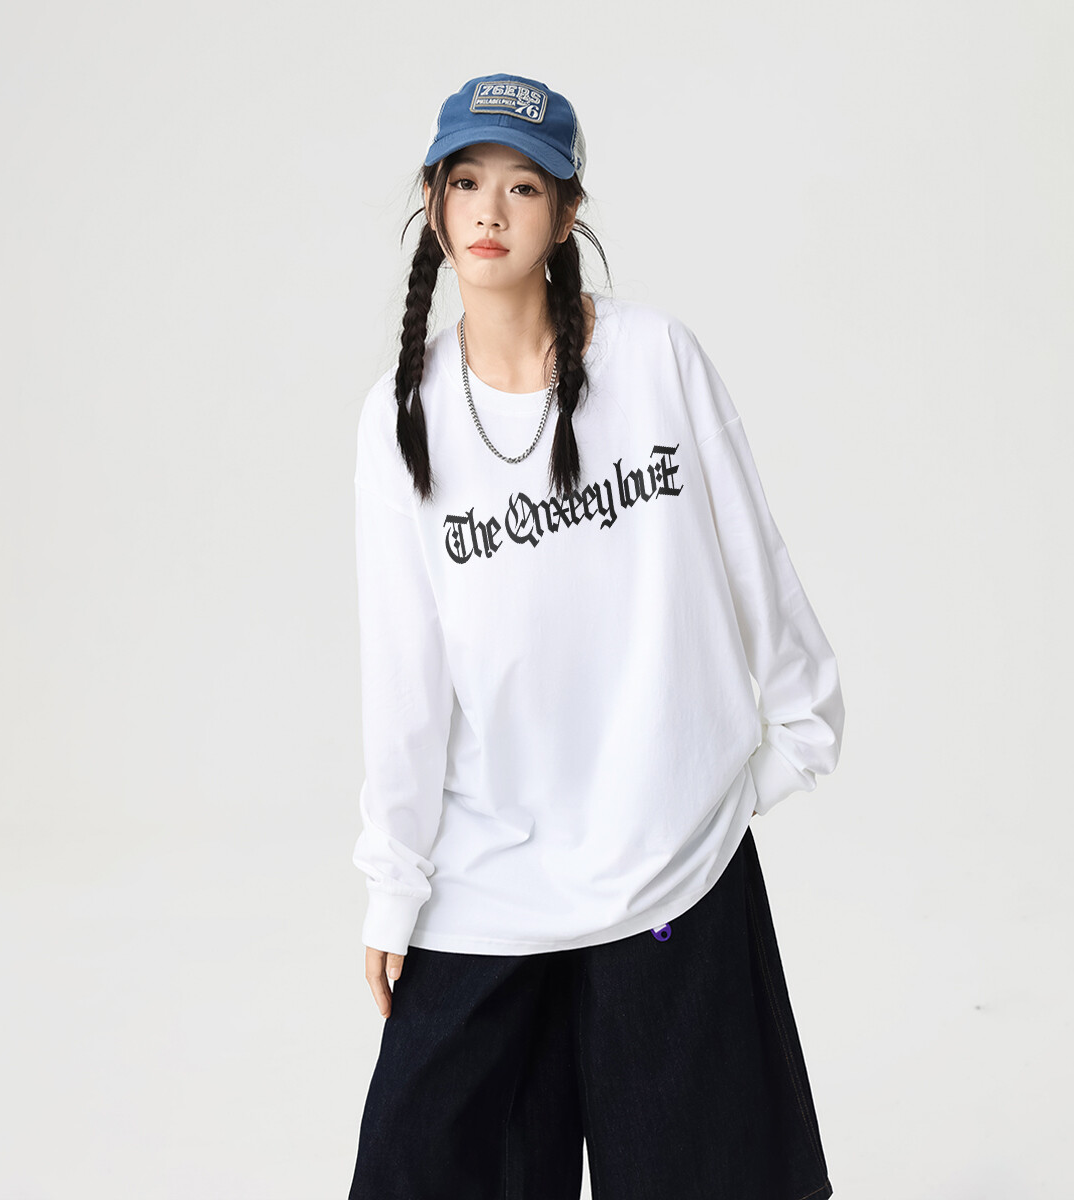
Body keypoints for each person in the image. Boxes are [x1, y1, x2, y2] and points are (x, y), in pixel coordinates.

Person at [348, 72, 845, 1200]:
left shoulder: (655, 361)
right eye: (466, 182)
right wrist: (394, 881)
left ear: (567, 213)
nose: (490, 211)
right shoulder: (399, 418)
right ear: (432, 201)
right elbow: (403, 676)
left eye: (523, 187)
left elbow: (751, 554)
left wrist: (785, 743)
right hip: (489, 877)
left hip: (668, 868)